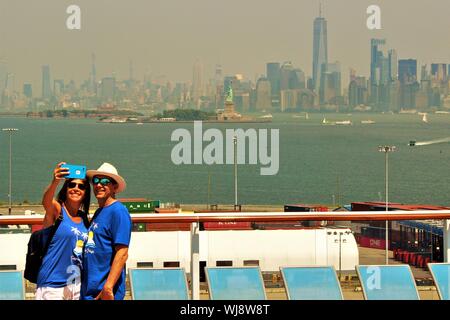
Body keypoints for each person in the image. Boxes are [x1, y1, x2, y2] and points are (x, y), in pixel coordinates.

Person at [36, 162, 91, 300]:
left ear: (85, 193)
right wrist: (55, 181)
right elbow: (46, 202)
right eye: (71, 185)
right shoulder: (58, 211)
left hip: (76, 284)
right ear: (66, 189)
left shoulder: (85, 219)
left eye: (81, 186)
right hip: (52, 285)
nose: (76, 188)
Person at [81, 162, 132, 300]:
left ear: (114, 187)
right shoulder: (99, 212)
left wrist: (108, 287)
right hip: (90, 290)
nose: (98, 185)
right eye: (96, 181)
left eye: (105, 181)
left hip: (105, 293)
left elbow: (122, 253)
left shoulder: (118, 211)